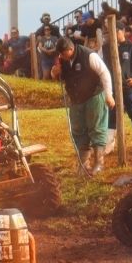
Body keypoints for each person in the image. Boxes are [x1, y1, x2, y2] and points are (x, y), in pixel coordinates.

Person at [54, 35, 113, 175]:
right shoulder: (62, 60)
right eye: (60, 54)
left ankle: (99, 163)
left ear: (70, 49)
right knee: (78, 130)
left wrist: (109, 95)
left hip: (94, 95)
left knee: (97, 128)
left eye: (63, 53)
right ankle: (84, 163)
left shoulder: (89, 55)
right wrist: (55, 72)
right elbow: (58, 76)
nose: (62, 56)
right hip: (75, 99)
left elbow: (104, 73)